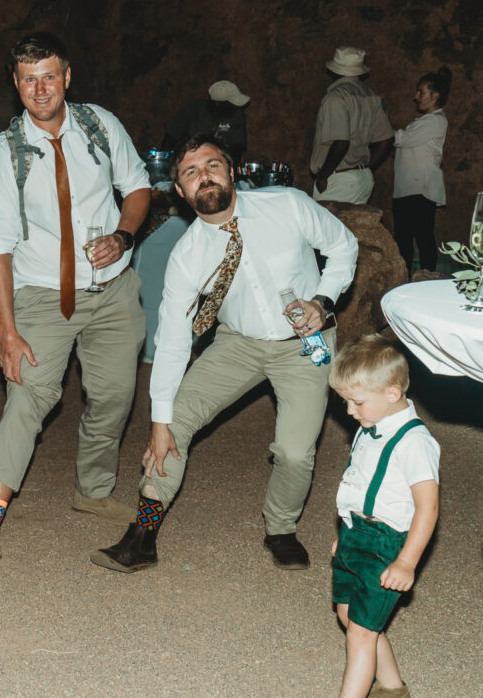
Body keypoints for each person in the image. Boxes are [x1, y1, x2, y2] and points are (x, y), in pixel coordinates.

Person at [91, 136, 358, 574]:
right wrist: (159, 422)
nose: (204, 176)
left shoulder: (287, 204)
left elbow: (344, 245)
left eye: (212, 165)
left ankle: (281, 528)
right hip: (239, 343)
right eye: (191, 172)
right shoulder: (187, 255)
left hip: (303, 341)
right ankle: (143, 534)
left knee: (294, 452)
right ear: (180, 191)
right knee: (172, 424)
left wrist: (323, 301)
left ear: (231, 172)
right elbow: (173, 339)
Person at [0, 31, 151, 578]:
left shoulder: (100, 125)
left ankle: (93, 490)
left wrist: (124, 235)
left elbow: (137, 187)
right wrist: (7, 332)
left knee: (113, 395)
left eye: (49, 76)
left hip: (112, 288)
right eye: (28, 79)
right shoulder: (4, 153)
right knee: (28, 398)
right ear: (15, 84)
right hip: (43, 294)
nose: (40, 89)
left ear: (67, 77)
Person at [301, 334, 439, 698]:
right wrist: (345, 532)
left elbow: (428, 508)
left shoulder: (415, 443)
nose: (349, 411)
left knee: (360, 632)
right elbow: (360, 483)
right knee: (349, 616)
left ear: (393, 392)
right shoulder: (370, 424)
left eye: (357, 402)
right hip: (356, 534)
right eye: (345, 401)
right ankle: (392, 687)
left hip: (387, 545)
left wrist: (407, 562)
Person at [310, 47, 394, 205]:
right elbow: (386, 140)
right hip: (362, 179)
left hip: (339, 180)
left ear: (334, 70)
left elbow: (341, 143)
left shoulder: (335, 97)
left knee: (325, 221)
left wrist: (323, 176)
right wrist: (366, 169)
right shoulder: (371, 96)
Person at [392, 67, 451, 277]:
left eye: (421, 92)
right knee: (405, 240)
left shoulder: (435, 121)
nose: (416, 96)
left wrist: (380, 126)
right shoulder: (425, 121)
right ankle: (406, 279)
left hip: (419, 189)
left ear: (435, 96)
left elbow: (402, 139)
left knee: (423, 239)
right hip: (409, 189)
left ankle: (427, 279)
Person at [162, 80, 249, 161]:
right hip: (190, 159)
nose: (236, 107)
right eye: (232, 104)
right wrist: (163, 161)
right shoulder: (191, 110)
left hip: (220, 160)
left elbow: (237, 147)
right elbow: (170, 139)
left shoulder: (237, 114)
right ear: (217, 104)